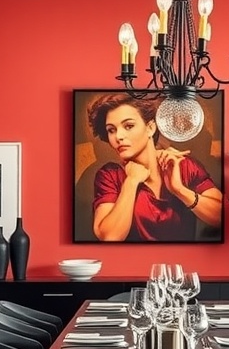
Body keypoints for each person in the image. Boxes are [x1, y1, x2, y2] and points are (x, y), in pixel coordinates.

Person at [85, 92, 222, 242]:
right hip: (131, 262)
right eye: (111, 129)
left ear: (150, 128)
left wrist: (180, 190)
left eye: (128, 126)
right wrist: (131, 182)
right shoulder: (110, 175)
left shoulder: (182, 165)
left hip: (183, 262)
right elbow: (110, 237)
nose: (118, 136)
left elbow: (222, 217)